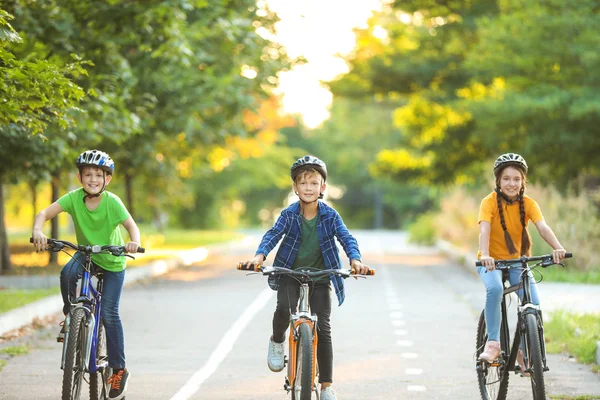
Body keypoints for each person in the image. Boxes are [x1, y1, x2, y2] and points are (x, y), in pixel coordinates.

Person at [240, 155, 370, 400]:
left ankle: (327, 386)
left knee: (324, 327)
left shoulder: (330, 215)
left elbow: (346, 238)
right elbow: (273, 234)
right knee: (282, 309)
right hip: (290, 273)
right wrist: (259, 257)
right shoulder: (289, 214)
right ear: (295, 187)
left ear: (323, 187)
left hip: (321, 276)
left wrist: (355, 260)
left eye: (314, 183)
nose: (308, 188)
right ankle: (278, 340)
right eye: (303, 183)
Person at [32, 149, 141, 400]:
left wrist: (133, 242)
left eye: (98, 175)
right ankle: (71, 316)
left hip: (112, 260)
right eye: (87, 174)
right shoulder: (73, 198)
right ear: (80, 178)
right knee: (67, 274)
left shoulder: (112, 202)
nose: (92, 179)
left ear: (107, 179)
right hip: (86, 254)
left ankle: (119, 370)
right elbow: (43, 214)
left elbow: (131, 226)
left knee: (111, 314)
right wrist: (38, 231)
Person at [476, 152, 567, 373]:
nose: (511, 183)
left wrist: (558, 247)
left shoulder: (529, 203)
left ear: (523, 181)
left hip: (517, 262)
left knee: (532, 302)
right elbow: (484, 229)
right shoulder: (488, 202)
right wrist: (486, 254)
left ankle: (527, 352)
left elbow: (542, 227)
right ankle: (494, 343)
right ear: (498, 181)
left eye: (516, 179)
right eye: (506, 178)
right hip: (491, 263)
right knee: (495, 288)